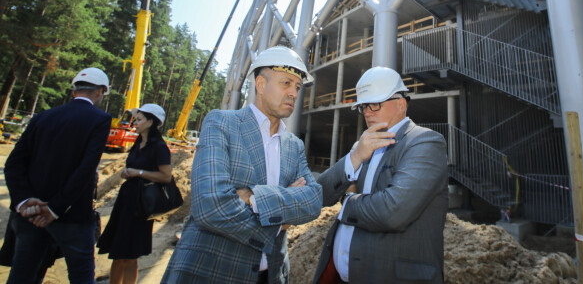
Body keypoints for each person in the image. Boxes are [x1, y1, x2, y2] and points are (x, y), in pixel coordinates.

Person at [162, 45, 323, 284]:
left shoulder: (294, 145)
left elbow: (312, 202)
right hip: (211, 272)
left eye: (298, 87)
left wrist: (252, 196)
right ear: (260, 85)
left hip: (271, 275)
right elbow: (211, 207)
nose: (294, 93)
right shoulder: (222, 123)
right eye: (286, 83)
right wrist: (281, 215)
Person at [313, 67, 449, 284]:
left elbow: (392, 211)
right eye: (364, 106)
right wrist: (355, 157)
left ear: (401, 103)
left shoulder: (424, 143)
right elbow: (320, 195)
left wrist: (347, 200)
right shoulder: (364, 145)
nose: (367, 111)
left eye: (375, 104)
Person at [4, 67, 112, 284]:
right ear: (100, 92)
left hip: (31, 214)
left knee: (22, 274)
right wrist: (54, 208)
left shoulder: (42, 117)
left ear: (74, 92)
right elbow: (85, 170)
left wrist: (24, 201)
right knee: (81, 275)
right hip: (71, 217)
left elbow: (13, 164)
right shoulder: (100, 119)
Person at [97, 103, 172, 284]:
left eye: (138, 119)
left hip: (140, 206)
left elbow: (166, 176)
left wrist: (138, 173)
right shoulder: (138, 143)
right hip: (127, 201)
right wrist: (127, 172)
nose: (135, 123)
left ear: (151, 122)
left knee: (127, 255)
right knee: (123, 254)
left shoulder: (159, 147)